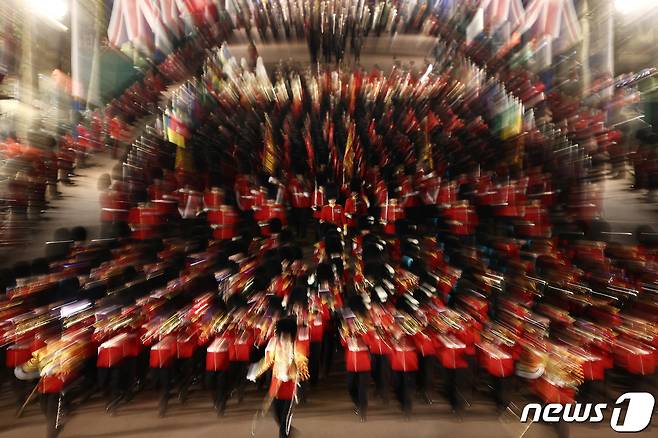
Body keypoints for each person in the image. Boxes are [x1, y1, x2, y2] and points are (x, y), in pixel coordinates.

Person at [248, 317, 309, 438]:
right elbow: (267, 362)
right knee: (277, 416)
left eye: (286, 335)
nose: (283, 337)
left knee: (284, 420)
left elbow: (303, 365)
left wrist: (298, 368)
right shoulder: (273, 343)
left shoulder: (297, 346)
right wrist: (256, 372)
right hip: (276, 386)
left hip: (290, 387)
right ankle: (288, 431)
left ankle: (285, 433)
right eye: (281, 334)